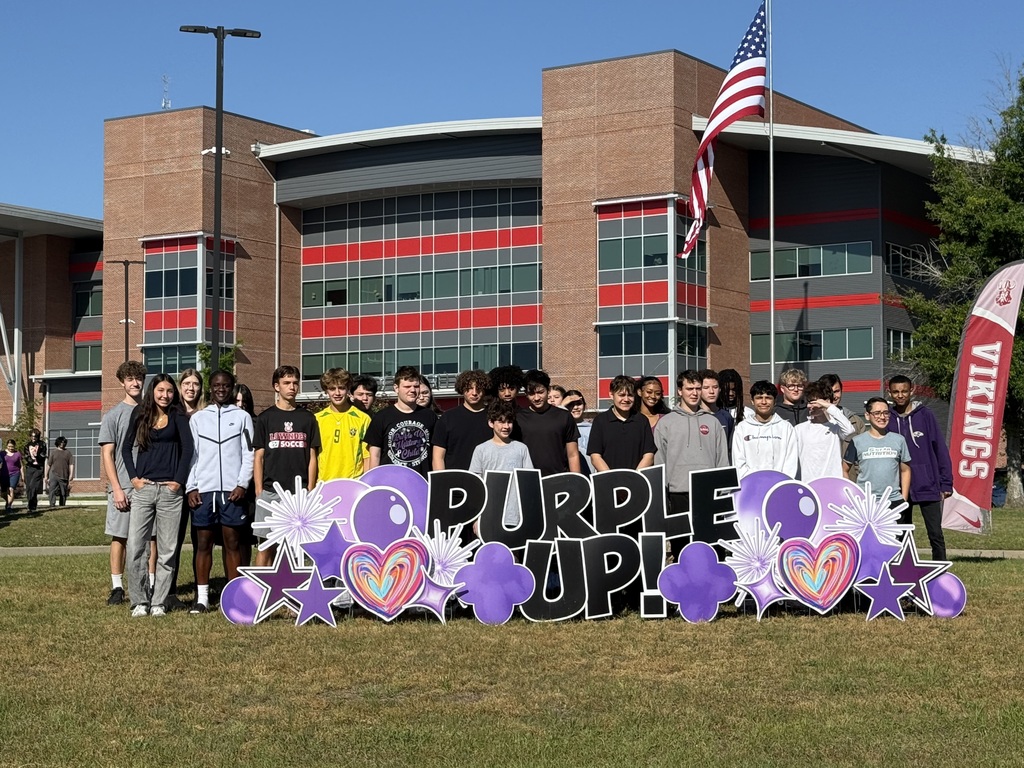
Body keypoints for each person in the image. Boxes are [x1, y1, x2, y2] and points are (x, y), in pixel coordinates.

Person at [122, 374, 195, 617]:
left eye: (170, 391)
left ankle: (159, 602)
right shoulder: (140, 414)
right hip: (144, 490)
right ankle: (140, 601)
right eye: (161, 390)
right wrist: (134, 479)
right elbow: (125, 448)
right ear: (152, 390)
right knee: (135, 547)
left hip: (170, 493)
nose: (165, 395)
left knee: (167, 550)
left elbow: (188, 450)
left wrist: (179, 482)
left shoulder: (178, 416)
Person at [186, 370, 255, 613]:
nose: (221, 389)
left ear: (232, 387)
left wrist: (242, 484)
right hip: (204, 491)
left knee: (232, 542)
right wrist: (191, 487)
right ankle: (202, 598)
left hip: (232, 492)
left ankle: (235, 596)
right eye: (216, 385)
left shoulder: (242, 417)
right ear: (210, 388)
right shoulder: (198, 419)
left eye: (226, 385)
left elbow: (249, 454)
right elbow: (192, 456)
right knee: (203, 543)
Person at [654, 370, 729, 560]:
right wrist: (663, 493)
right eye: (689, 389)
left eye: (697, 388)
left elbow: (722, 459)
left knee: (711, 547)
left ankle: (713, 586)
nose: (694, 393)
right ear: (680, 391)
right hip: (678, 493)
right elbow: (659, 460)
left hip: (707, 493)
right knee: (681, 546)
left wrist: (723, 492)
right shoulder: (666, 423)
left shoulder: (712, 422)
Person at [253, 365, 320, 567]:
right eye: (286, 383)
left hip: (298, 495)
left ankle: (292, 594)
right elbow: (258, 457)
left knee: (295, 549)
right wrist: (258, 491)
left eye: (295, 383)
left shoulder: (307, 418)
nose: (292, 387)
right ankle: (258, 592)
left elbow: (312, 456)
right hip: (270, 492)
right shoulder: (266, 418)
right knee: (265, 546)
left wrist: (310, 489)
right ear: (276, 387)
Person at [98, 359, 150, 606]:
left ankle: (149, 584)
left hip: (150, 486)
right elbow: (107, 454)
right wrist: (117, 488)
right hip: (123, 488)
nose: (135, 382)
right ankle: (117, 588)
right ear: (122, 382)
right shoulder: (113, 415)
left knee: (151, 538)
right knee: (120, 537)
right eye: (130, 378)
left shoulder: (152, 411)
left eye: (138, 378)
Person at [887, 375, 953, 560]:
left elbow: (939, 448)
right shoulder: (888, 418)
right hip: (899, 488)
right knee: (902, 534)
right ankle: (903, 572)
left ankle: (940, 574)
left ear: (912, 390)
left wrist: (946, 482)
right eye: (896, 392)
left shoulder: (925, 415)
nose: (900, 395)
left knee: (935, 534)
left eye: (904, 391)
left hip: (928, 484)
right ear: (890, 392)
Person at [167, 367, 206, 611]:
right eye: (187, 383)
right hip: (176, 483)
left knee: (200, 540)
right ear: (180, 387)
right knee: (172, 540)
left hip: (201, 486)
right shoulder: (172, 413)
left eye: (196, 384)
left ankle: (200, 592)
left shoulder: (208, 414)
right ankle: (168, 591)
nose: (191, 388)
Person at [469, 399, 534, 526]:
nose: (506, 426)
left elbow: (528, 484)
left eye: (509, 422)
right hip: (489, 516)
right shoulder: (481, 449)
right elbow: (475, 487)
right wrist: (476, 518)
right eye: (501, 421)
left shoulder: (521, 448)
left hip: (515, 516)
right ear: (491, 423)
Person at [366, 366, 437, 477]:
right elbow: (375, 455)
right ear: (396, 388)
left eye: (416, 386)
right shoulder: (381, 417)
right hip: (391, 482)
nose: (412, 390)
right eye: (407, 386)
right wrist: (374, 481)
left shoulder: (430, 416)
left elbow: (436, 454)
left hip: (422, 482)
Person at [844, 397, 911, 512]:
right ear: (867, 415)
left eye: (886, 413)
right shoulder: (857, 441)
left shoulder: (899, 440)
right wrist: (853, 494)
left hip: (894, 501)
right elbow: (844, 469)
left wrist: (903, 498)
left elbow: (905, 470)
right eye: (877, 413)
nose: (882, 417)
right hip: (865, 502)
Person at [516, 369, 581, 475]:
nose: (536, 398)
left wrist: (577, 482)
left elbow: (573, 454)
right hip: (528, 480)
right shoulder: (517, 418)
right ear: (526, 394)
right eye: (532, 393)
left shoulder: (564, 416)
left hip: (559, 479)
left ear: (548, 390)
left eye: (540, 392)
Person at [732, 380, 799, 480]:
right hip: (752, 485)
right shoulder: (742, 428)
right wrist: (755, 480)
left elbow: (791, 462)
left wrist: (781, 481)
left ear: (775, 401)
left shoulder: (786, 428)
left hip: (779, 486)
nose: (763, 402)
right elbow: (738, 462)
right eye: (759, 398)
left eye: (768, 398)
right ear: (752, 401)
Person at [588, 376, 656, 471]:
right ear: (611, 395)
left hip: (636, 480)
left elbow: (649, 455)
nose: (626, 399)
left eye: (630, 395)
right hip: (609, 481)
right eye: (622, 395)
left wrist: (635, 477)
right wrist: (611, 477)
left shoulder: (642, 421)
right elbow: (595, 456)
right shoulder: (600, 421)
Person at [315, 368, 371, 481]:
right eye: (332, 389)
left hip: (353, 482)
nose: (337, 393)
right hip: (324, 483)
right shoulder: (317, 419)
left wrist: (366, 483)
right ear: (326, 390)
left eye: (341, 388)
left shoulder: (363, 419)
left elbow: (367, 456)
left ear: (348, 389)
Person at [432, 369, 492, 471]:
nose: (474, 393)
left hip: (487, 478)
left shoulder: (494, 416)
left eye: (479, 389)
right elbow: (438, 457)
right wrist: (441, 482)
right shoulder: (448, 418)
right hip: (455, 479)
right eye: (469, 388)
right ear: (462, 389)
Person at [794, 381, 855, 482]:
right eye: (809, 402)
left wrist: (828, 406)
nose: (810, 406)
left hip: (832, 483)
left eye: (814, 402)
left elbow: (849, 430)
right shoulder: (799, 429)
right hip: (808, 483)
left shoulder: (835, 427)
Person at [818, 373, 866, 478]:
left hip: (849, 480)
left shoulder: (855, 421)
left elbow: (863, 457)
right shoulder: (813, 421)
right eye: (829, 392)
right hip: (821, 479)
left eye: (837, 391)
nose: (834, 396)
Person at [233, 383, 257, 567]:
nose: (240, 405)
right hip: (229, 484)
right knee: (232, 536)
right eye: (236, 401)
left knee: (247, 536)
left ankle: (247, 571)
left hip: (250, 488)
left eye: (244, 401)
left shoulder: (256, 423)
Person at [699, 369, 735, 456]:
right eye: (706, 388)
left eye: (715, 387)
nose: (711, 392)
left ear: (720, 389)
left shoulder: (726, 416)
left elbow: (730, 448)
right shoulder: (694, 416)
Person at [561, 390, 594, 474]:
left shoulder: (593, 428)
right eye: (570, 404)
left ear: (585, 405)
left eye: (579, 404)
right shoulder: (560, 429)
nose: (575, 407)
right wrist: (561, 407)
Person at [45, 436, 74, 507]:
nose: (62, 443)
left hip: (64, 475)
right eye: (61, 442)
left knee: (63, 493)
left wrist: (71, 475)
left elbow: (71, 464)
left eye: (64, 442)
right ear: (58, 442)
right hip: (54, 474)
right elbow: (49, 464)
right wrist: (46, 475)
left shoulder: (68, 453)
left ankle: (62, 505)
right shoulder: (53, 452)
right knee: (52, 490)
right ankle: (52, 504)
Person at [22, 428, 47, 512]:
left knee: (33, 486)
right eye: (32, 436)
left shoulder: (42, 444)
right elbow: (26, 456)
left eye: (35, 436)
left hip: (39, 468)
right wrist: (31, 460)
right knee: (29, 487)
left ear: (38, 436)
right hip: (30, 467)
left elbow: (43, 455)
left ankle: (32, 505)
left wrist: (37, 455)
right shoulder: (27, 445)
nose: (33, 438)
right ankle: (30, 504)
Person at [4, 439, 21, 513]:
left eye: (12, 446)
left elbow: (21, 465)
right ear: (7, 446)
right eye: (9, 446)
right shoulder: (2, 453)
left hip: (15, 473)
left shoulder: (17, 454)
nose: (10, 448)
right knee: (3, 493)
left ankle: (9, 506)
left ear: (14, 446)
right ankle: (8, 501)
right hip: (5, 474)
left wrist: (22, 475)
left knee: (11, 489)